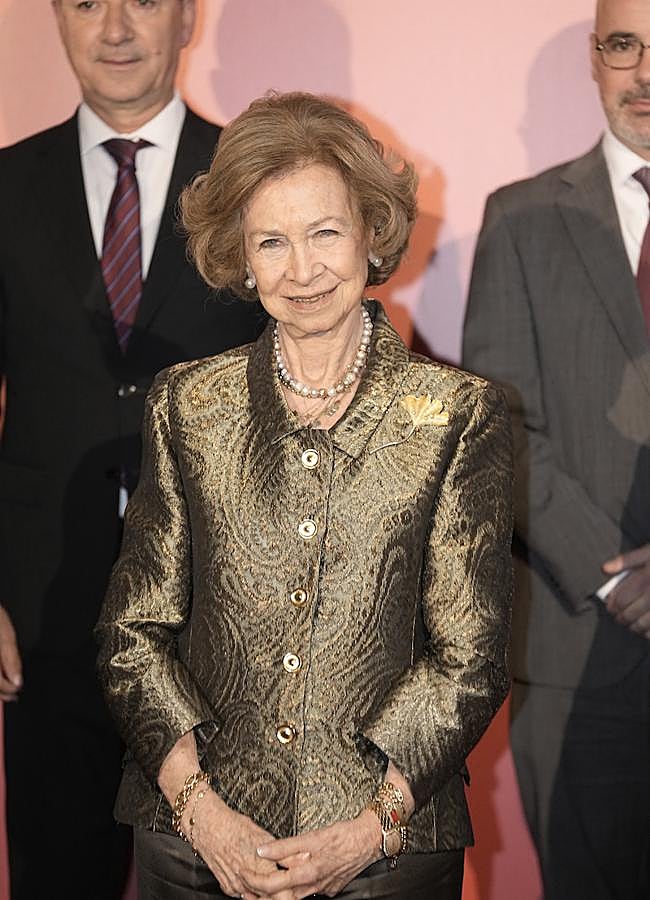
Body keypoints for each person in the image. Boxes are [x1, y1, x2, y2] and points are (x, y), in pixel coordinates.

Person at [95, 90, 514, 900]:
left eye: (325, 232)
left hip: (387, 856)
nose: (303, 269)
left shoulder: (457, 417)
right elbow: (131, 632)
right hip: (192, 849)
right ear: (241, 259)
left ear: (371, 232)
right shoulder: (188, 405)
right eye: (272, 242)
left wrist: (367, 830)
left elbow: (469, 659)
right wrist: (203, 815)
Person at [0, 1, 264, 897]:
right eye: (85, 0)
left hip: (224, 617)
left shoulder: (253, 179)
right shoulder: (4, 185)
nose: (114, 26)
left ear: (188, 16)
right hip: (41, 619)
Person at [463, 0, 650, 897]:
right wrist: (615, 572)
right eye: (625, 46)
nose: (646, 73)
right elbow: (501, 427)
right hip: (581, 649)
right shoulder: (519, 219)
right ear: (596, 59)